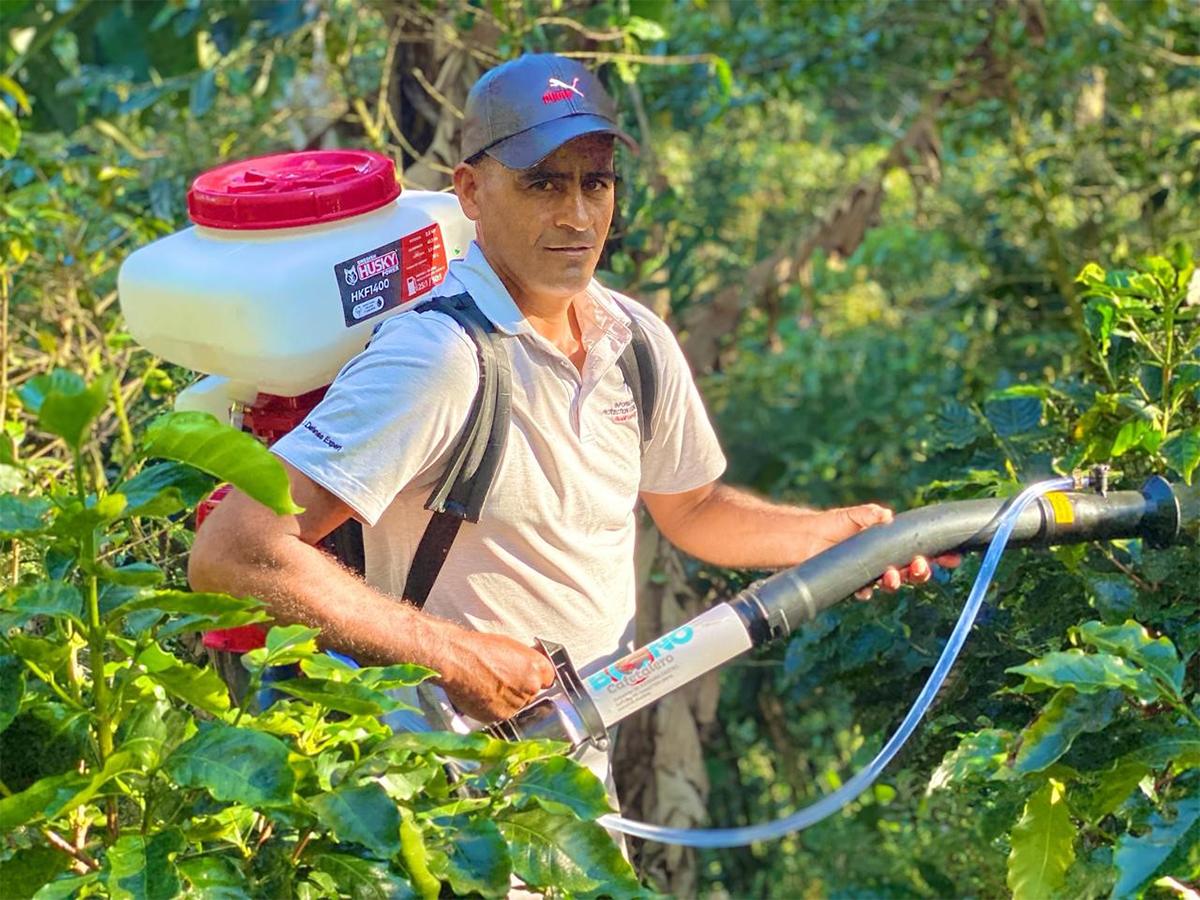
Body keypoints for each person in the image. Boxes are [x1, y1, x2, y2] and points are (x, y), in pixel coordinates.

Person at [188, 53, 950, 753]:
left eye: (597, 181)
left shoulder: (635, 342)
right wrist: (453, 655)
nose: (578, 216)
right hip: (444, 783)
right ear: (470, 191)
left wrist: (827, 536)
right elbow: (234, 552)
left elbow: (693, 511)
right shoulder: (443, 357)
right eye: (543, 182)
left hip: (573, 765)